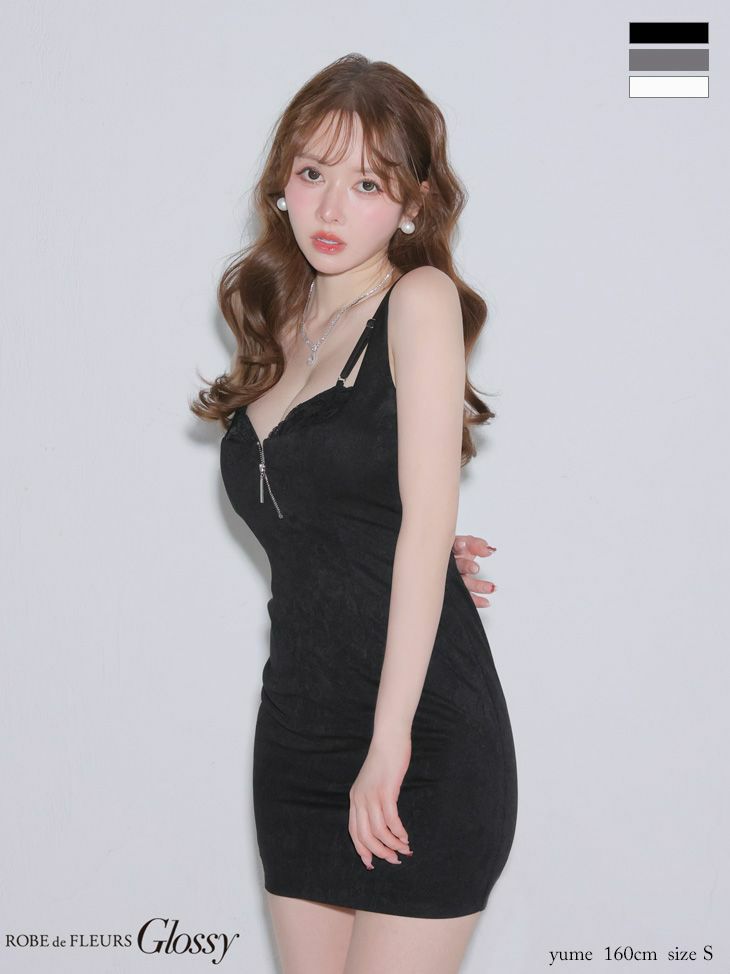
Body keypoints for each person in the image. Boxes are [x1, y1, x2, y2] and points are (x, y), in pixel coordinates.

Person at [192, 53, 517, 974]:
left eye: (368, 183)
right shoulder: (280, 329)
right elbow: (337, 524)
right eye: (313, 173)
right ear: (281, 184)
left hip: (419, 740)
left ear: (412, 203)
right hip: (296, 732)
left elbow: (421, 527)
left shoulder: (418, 301)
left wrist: (388, 746)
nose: (332, 208)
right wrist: (379, 551)